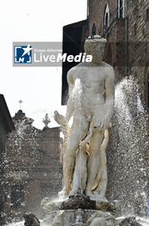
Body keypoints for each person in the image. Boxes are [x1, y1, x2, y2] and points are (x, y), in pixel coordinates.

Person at [55, 36, 114, 200]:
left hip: (98, 110)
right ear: (88, 50)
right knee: (70, 149)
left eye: (102, 50)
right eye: (97, 50)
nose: (100, 53)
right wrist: (66, 119)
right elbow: (72, 99)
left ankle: (89, 190)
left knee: (95, 150)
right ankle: (66, 188)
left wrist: (105, 115)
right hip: (80, 112)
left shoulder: (107, 70)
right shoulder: (73, 72)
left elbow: (110, 97)